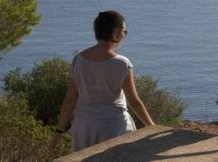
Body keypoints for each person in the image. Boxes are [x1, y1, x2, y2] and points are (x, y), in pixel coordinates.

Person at [49, 11, 155, 154]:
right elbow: (133, 101)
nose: (124, 35)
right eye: (125, 32)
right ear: (116, 32)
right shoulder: (122, 63)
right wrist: (152, 127)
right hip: (113, 127)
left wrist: (59, 132)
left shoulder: (78, 60)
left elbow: (70, 99)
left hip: (84, 127)